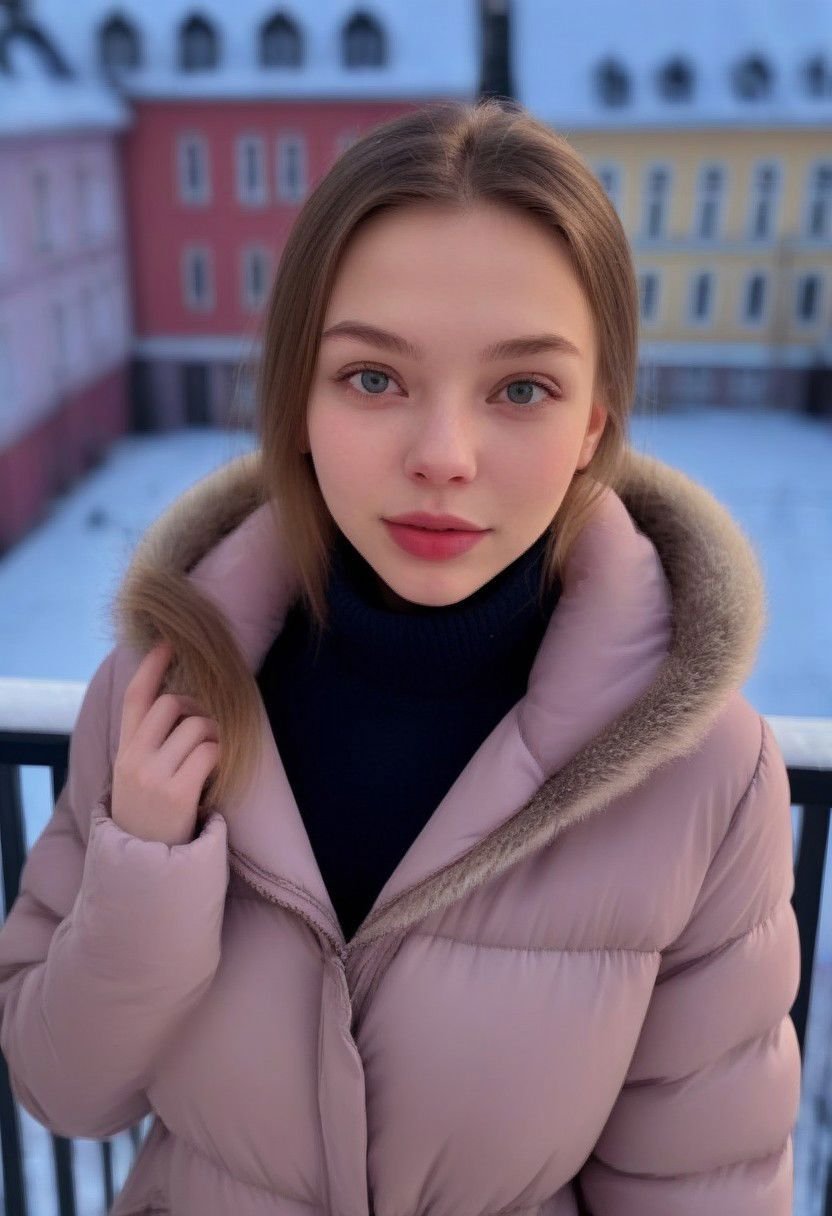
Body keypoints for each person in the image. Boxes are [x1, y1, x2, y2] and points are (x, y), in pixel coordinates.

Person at [0, 98, 801, 1216]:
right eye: (373, 378)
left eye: (522, 389)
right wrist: (142, 866)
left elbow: (699, 1192)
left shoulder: (705, 780)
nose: (442, 457)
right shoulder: (159, 702)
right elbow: (61, 1087)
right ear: (299, 404)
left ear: (593, 427)